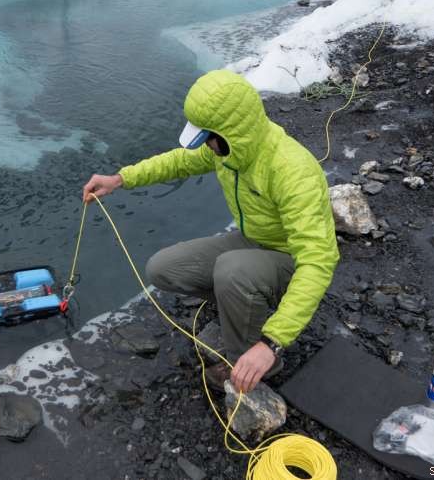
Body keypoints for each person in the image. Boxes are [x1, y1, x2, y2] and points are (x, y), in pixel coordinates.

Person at [82, 69, 339, 393]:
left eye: (208, 139)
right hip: (254, 240)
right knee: (162, 269)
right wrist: (120, 179)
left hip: (290, 259)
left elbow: (318, 261)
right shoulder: (230, 150)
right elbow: (178, 162)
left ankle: (253, 362)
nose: (207, 147)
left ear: (233, 132)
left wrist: (271, 343)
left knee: (233, 272)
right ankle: (244, 306)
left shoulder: (292, 170)